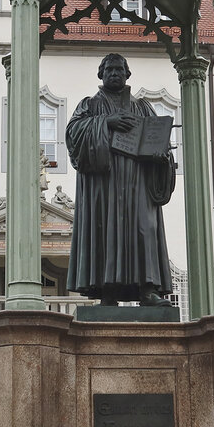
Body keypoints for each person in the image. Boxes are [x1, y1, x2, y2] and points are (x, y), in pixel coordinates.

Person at [66, 53, 175, 306]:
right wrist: (106, 122)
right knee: (104, 232)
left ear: (128, 75)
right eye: (109, 69)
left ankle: (148, 290)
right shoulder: (89, 106)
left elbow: (159, 142)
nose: (114, 73)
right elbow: (73, 135)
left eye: (118, 69)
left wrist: (161, 156)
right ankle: (108, 292)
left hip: (138, 183)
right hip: (103, 184)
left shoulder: (142, 107)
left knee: (145, 231)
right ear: (100, 74)